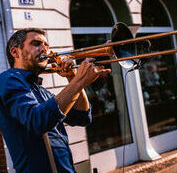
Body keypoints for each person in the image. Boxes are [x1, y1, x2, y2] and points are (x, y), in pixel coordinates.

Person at [0, 28, 111, 173]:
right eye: (36, 43)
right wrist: (78, 81)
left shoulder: (41, 91)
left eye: (46, 45)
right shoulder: (8, 79)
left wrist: (72, 78)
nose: (44, 49)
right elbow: (37, 121)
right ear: (15, 52)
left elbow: (82, 117)